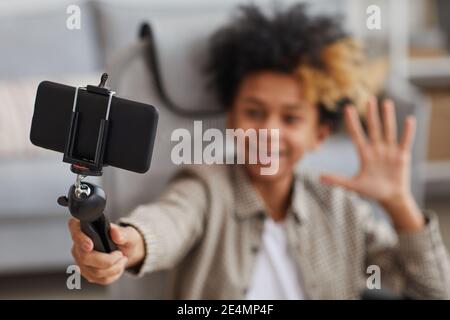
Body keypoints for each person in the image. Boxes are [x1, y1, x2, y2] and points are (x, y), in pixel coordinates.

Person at [68, 4, 450, 299]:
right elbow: (167, 223)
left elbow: (433, 291)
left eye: (291, 117)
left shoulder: (342, 207)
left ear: (318, 134)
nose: (269, 131)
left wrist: (401, 206)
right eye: (254, 112)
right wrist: (128, 242)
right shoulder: (206, 186)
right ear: (231, 119)